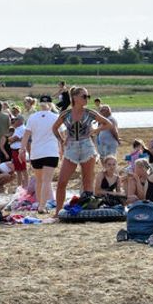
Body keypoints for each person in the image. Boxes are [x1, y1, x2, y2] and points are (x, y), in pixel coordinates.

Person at [52, 86, 116, 214]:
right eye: (84, 96)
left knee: (87, 181)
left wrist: (95, 130)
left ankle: (88, 210)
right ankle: (58, 211)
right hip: (71, 148)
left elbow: (108, 124)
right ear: (75, 98)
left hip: (87, 146)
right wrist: (61, 140)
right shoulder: (66, 114)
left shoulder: (89, 112)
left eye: (88, 96)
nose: (87, 99)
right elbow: (54, 128)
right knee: (62, 182)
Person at [22, 99, 60, 212]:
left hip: (36, 153)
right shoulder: (55, 117)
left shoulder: (32, 117)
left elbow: (26, 135)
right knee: (47, 181)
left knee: (39, 180)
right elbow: (60, 135)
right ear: (50, 105)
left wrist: (22, 149)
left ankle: (39, 204)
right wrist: (62, 149)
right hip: (51, 152)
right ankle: (42, 207)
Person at [8, 115, 29, 188]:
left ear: (20, 121)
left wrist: (11, 139)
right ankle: (19, 186)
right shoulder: (17, 128)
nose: (14, 121)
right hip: (15, 150)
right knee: (18, 169)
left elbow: (12, 139)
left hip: (19, 150)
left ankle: (26, 185)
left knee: (23, 168)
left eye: (16, 120)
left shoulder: (22, 129)